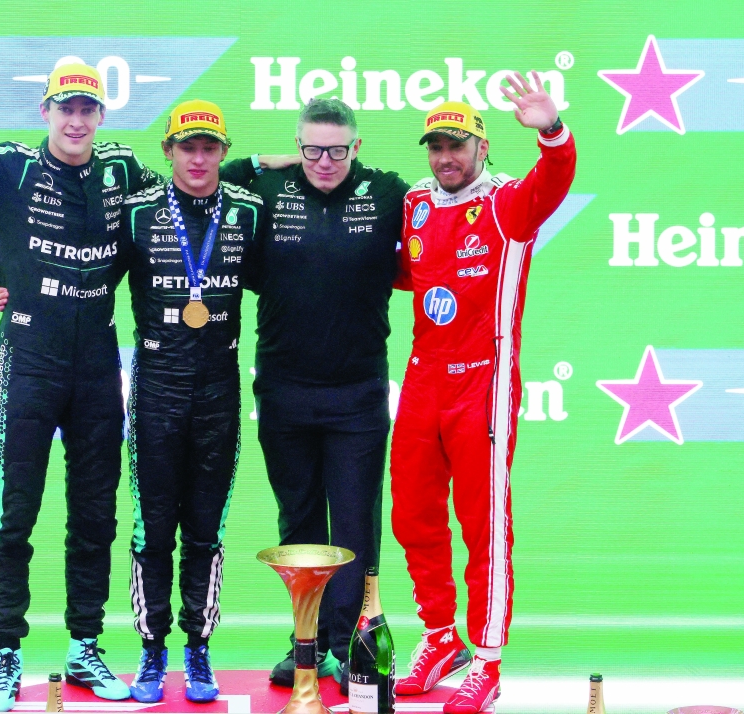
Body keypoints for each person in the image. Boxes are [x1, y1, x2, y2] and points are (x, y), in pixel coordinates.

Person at [0, 24, 158, 712]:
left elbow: (186, 194)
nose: (76, 119)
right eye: (64, 107)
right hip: (27, 360)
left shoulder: (122, 171)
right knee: (12, 515)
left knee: (95, 517)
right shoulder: (13, 167)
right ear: (45, 112)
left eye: (87, 108)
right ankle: (7, 654)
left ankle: (85, 647)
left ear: (101, 116)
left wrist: (273, 166)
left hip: (94, 369)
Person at [389, 74, 576, 713]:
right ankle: (440, 636)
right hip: (422, 377)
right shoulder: (414, 203)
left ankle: (487, 661)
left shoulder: (506, 204)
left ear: (482, 147)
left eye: (458, 146)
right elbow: (385, 268)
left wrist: (552, 132)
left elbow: (554, 180)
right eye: (437, 146)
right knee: (411, 513)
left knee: (484, 525)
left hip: (483, 383)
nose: (447, 157)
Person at [220, 98, 409, 692]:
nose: (322, 161)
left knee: (354, 526)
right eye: (310, 148)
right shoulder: (268, 190)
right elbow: (204, 179)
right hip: (284, 392)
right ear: (295, 145)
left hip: (356, 394)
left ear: (357, 147)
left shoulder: (387, 193)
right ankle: (306, 646)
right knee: (299, 523)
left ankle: (352, 643)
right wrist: (267, 160)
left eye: (336, 149)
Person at [122, 100, 265, 704]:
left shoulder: (249, 212)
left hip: (217, 390)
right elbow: (78, 267)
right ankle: (152, 650)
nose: (199, 158)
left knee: (205, 530)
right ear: (168, 151)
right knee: (153, 529)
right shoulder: (134, 214)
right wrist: (10, 284)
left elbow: (296, 274)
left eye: (210, 148)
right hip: (155, 385)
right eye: (188, 147)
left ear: (224, 153)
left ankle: (198, 648)